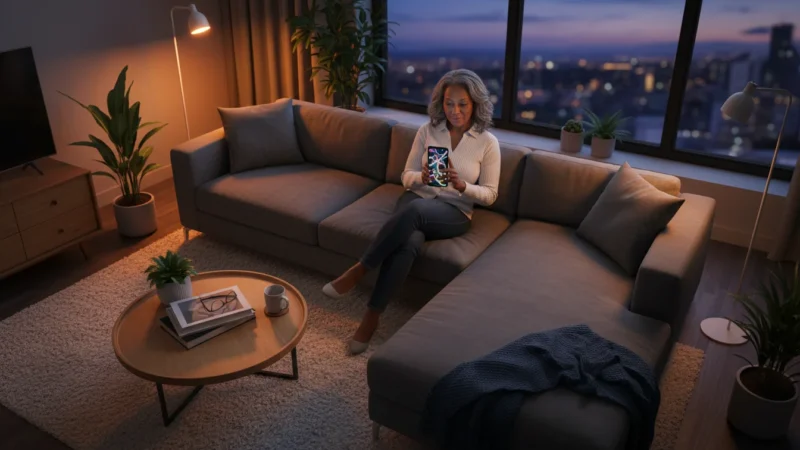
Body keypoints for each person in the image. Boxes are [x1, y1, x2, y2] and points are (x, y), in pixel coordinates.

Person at [323, 69, 502, 354]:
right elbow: (406, 175)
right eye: (448, 103)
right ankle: (371, 318)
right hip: (417, 196)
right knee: (410, 241)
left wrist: (462, 185)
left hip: (454, 211)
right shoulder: (428, 130)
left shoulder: (487, 142)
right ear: (440, 103)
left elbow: (490, 195)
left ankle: (359, 269)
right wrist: (423, 177)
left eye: (462, 104)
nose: (454, 111)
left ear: (476, 104)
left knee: (417, 210)